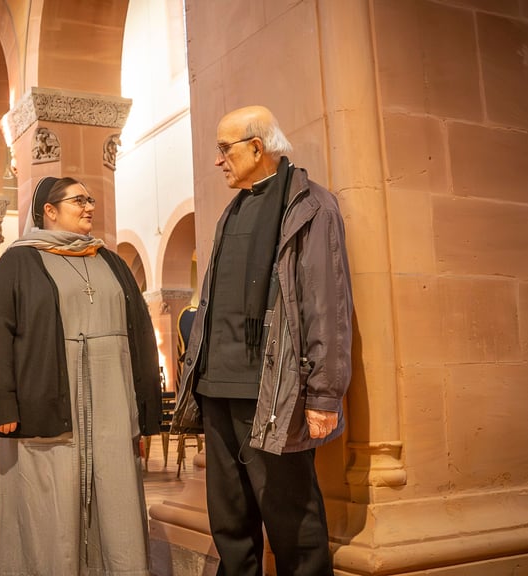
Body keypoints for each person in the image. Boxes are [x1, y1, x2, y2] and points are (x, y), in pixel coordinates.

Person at [175, 106, 353, 575]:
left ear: (257, 147)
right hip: (217, 390)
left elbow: (326, 304)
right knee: (230, 523)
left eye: (224, 148)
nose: (217, 161)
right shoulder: (231, 211)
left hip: (273, 392)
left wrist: (324, 393)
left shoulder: (310, 206)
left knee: (293, 520)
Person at [0, 176, 162, 576]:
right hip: (49, 397)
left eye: (90, 199)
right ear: (50, 210)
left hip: (112, 396)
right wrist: (3, 402)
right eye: (78, 200)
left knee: (117, 497)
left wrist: (145, 406)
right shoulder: (19, 261)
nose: (89, 206)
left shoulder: (109, 260)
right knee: (53, 500)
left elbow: (141, 331)